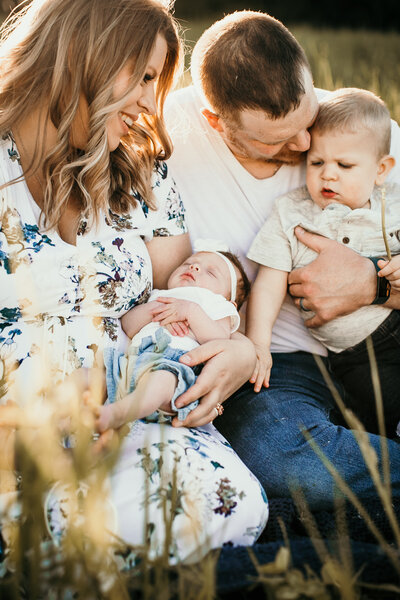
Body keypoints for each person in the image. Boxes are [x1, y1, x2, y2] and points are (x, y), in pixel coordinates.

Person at [0, 0, 268, 567]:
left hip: (132, 408)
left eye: (160, 81)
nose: (152, 102)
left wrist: (240, 349)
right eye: (144, 76)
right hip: (18, 433)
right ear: (82, 53)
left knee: (230, 502)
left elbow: (187, 290)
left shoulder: (139, 171)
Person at [164, 10, 400, 509]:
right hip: (273, 365)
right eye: (276, 141)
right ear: (214, 122)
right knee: (289, 467)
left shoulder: (352, 122)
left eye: (306, 118)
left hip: (384, 336)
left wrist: (375, 285)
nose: (304, 144)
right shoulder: (164, 136)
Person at [246, 87, 400, 437]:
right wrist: (258, 342)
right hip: (356, 353)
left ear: (381, 169)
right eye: (317, 163)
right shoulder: (291, 214)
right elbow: (269, 281)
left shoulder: (392, 205)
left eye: (344, 165)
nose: (328, 175)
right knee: (380, 409)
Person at [91, 247, 250, 430]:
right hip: (132, 363)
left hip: (177, 368)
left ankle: (116, 414)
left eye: (211, 273)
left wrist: (191, 312)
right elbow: (129, 325)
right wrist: (157, 311)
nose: (195, 267)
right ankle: (65, 412)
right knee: (90, 377)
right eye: (188, 263)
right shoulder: (160, 296)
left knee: (159, 381)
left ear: (229, 301)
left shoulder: (218, 305)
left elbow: (220, 338)